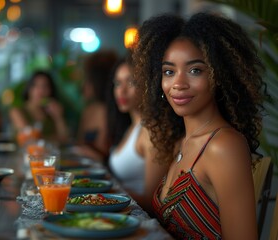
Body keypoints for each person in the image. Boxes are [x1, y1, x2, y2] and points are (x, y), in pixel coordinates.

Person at [133, 12, 267, 239]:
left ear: (219, 75)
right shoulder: (181, 142)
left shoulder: (224, 146)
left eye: (195, 70)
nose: (178, 83)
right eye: (169, 71)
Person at [107, 54, 168, 214]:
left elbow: (152, 201)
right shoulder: (132, 127)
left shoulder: (152, 129)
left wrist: (108, 194)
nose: (122, 90)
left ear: (148, 86)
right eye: (118, 83)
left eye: (131, 82)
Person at [75, 50, 118, 162]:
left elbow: (103, 153)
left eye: (87, 79)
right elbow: (80, 143)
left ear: (97, 81)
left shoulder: (107, 111)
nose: (83, 85)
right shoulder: (89, 109)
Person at [9, 70, 69, 144]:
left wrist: (58, 117)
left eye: (45, 86)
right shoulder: (17, 111)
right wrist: (56, 139)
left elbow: (65, 139)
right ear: (29, 89)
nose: (41, 91)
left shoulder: (50, 113)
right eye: (36, 86)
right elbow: (30, 139)